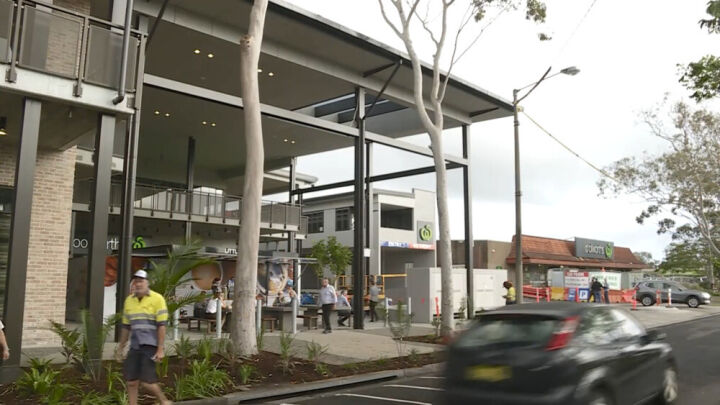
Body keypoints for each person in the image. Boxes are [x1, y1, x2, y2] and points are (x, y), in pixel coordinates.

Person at [115, 270, 171, 405]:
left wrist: (160, 349)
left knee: (147, 382)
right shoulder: (129, 301)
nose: (138, 284)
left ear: (147, 283)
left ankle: (164, 401)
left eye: (141, 281)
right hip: (135, 345)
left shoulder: (157, 299)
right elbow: (126, 327)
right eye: (136, 281)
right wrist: (120, 348)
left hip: (150, 345)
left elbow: (161, 326)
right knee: (131, 382)